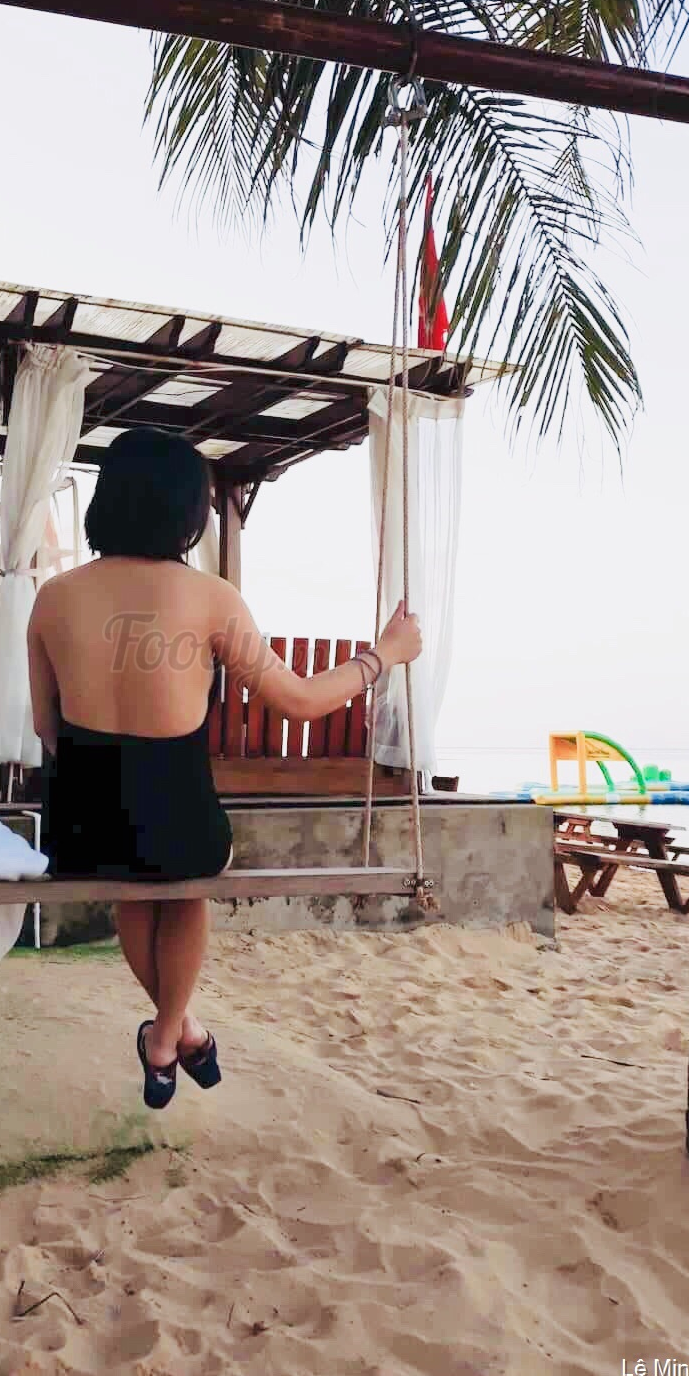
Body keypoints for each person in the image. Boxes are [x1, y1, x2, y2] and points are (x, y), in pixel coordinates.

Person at [28, 428, 422, 1109]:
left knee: (133, 886)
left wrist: (105, 776)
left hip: (82, 828)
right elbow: (300, 702)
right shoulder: (209, 598)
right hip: (181, 827)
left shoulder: (53, 597)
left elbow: (45, 725)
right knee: (186, 883)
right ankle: (169, 1038)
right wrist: (383, 655)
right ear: (188, 512)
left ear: (107, 501)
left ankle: (177, 1032)